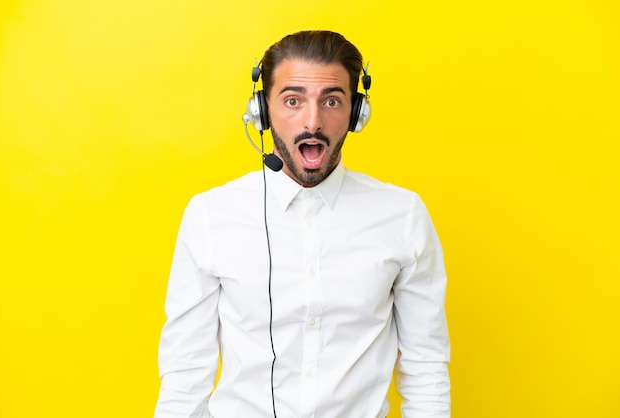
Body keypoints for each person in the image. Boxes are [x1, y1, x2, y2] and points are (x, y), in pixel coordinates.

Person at [154, 30, 450, 418]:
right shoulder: (211, 215)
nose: (313, 121)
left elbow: (425, 366)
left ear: (357, 113)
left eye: (332, 101)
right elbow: (185, 373)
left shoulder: (402, 214)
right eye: (293, 100)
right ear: (262, 110)